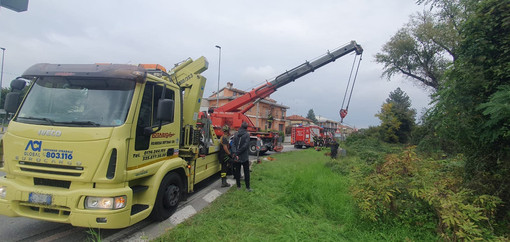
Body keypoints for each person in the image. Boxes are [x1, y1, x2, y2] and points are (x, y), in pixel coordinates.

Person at [232, 122, 252, 191]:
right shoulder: (247, 135)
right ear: (246, 128)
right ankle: (247, 187)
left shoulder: (236, 134)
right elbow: (245, 146)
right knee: (246, 172)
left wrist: (235, 153)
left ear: (241, 127)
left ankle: (238, 186)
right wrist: (238, 152)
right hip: (244, 156)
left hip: (237, 157)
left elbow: (233, 144)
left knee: (237, 171)